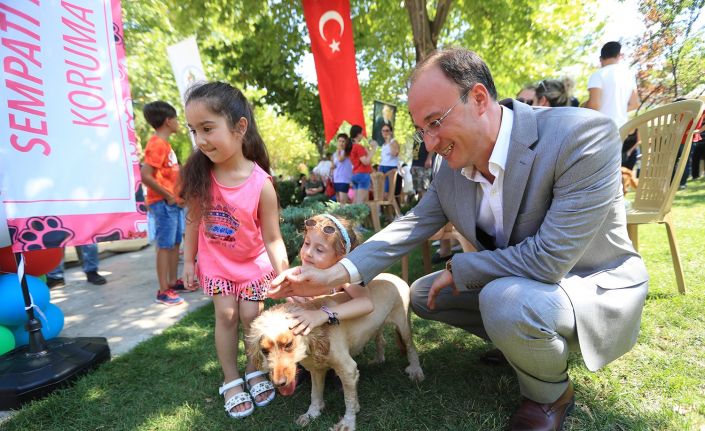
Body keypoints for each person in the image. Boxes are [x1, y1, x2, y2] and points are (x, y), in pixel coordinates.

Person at [269, 47, 648, 431]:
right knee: (422, 294)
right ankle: (520, 344)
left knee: (503, 300)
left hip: (589, 283)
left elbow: (549, 259)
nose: (430, 143)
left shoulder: (581, 134)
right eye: (422, 130)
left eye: (435, 122)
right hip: (522, 288)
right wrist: (332, 275)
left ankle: (549, 395)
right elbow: (410, 225)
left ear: (479, 99)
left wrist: (461, 267)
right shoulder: (450, 169)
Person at [178, 81, 288, 419]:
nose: (200, 140)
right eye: (194, 131)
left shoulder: (261, 184)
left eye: (207, 128)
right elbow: (193, 222)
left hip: (252, 265)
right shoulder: (201, 177)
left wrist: (285, 274)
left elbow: (272, 237)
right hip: (217, 263)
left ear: (240, 127)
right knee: (226, 315)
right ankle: (231, 379)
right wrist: (188, 261)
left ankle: (254, 369)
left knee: (250, 317)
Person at [288, 214, 372, 335]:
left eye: (319, 250)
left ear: (340, 257)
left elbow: (366, 303)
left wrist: (322, 314)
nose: (308, 253)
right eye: (307, 243)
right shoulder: (298, 274)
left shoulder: (343, 278)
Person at [141, 101, 188, 306]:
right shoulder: (157, 144)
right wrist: (168, 195)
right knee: (165, 245)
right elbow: (145, 175)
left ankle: (172, 281)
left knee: (175, 243)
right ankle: (163, 291)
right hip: (163, 203)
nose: (178, 122)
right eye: (176, 119)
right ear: (168, 121)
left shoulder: (165, 144)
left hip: (172, 203)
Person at [584, 41, 639, 128]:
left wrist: (583, 106)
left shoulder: (598, 74)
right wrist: (617, 111)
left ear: (600, 59)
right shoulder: (629, 75)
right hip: (622, 128)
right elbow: (634, 104)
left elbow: (594, 105)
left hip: (601, 128)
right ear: (618, 56)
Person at [349, 124, 376, 203]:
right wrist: (374, 149)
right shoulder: (358, 147)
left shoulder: (352, 147)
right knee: (360, 202)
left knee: (356, 201)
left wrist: (367, 150)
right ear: (358, 134)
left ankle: (350, 212)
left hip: (355, 174)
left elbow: (368, 160)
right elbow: (366, 162)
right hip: (363, 175)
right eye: (362, 133)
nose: (363, 135)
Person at [378, 124, 401, 196]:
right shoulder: (383, 144)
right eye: (383, 131)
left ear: (391, 132)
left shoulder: (394, 141)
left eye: (387, 130)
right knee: (381, 192)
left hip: (390, 168)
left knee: (388, 193)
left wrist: (389, 142)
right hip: (382, 167)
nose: (385, 132)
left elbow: (395, 153)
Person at [332, 133, 353, 204]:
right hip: (336, 179)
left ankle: (345, 211)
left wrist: (338, 152)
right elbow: (333, 165)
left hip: (344, 179)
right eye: (339, 141)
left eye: (343, 141)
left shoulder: (347, 152)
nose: (341, 143)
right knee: (338, 200)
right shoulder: (335, 154)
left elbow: (340, 159)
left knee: (343, 200)